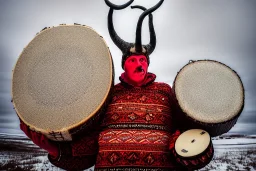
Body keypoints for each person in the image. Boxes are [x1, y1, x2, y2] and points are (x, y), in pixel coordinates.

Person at [20, 0, 213, 170]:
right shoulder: (107, 94)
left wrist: (190, 147)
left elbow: (185, 135)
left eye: (143, 61)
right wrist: (55, 149)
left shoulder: (165, 91)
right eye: (133, 60)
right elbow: (91, 147)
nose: (139, 64)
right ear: (123, 66)